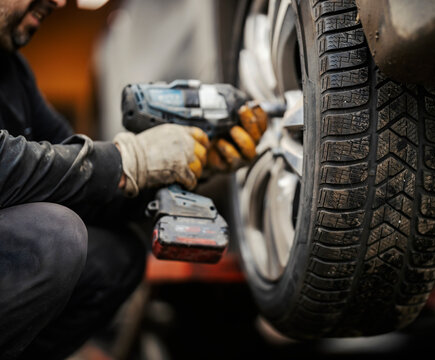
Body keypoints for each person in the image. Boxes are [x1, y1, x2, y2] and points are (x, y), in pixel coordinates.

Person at [0, 1, 266, 359]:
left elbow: (81, 180)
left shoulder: (12, 72)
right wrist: (131, 159)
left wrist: (184, 167)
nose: (61, 2)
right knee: (53, 236)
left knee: (115, 256)